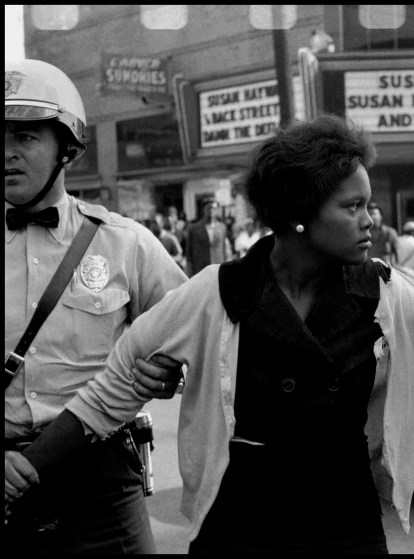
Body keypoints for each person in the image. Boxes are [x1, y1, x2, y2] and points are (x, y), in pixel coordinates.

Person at [8, 114, 414, 554]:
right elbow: (111, 392)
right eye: (354, 207)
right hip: (240, 519)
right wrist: (27, 467)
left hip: (344, 516)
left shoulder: (391, 296)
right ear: (298, 213)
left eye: (371, 205)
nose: (373, 221)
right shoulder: (216, 293)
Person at [4, 59, 188, 554]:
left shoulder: (126, 245)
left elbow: (198, 338)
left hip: (101, 480)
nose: (8, 154)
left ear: (67, 147)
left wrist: (171, 375)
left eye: (25, 137)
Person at [183, 198, 232, 276]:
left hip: (218, 270)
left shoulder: (222, 228)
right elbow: (189, 255)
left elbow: (226, 250)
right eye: (209, 208)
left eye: (214, 208)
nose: (211, 210)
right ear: (204, 210)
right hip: (200, 270)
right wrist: (189, 274)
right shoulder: (194, 229)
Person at [367, 201, 400, 265]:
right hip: (368, 268)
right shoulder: (363, 234)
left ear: (381, 216)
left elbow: (397, 253)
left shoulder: (389, 232)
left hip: (385, 268)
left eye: (374, 214)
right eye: (369, 214)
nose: (372, 217)